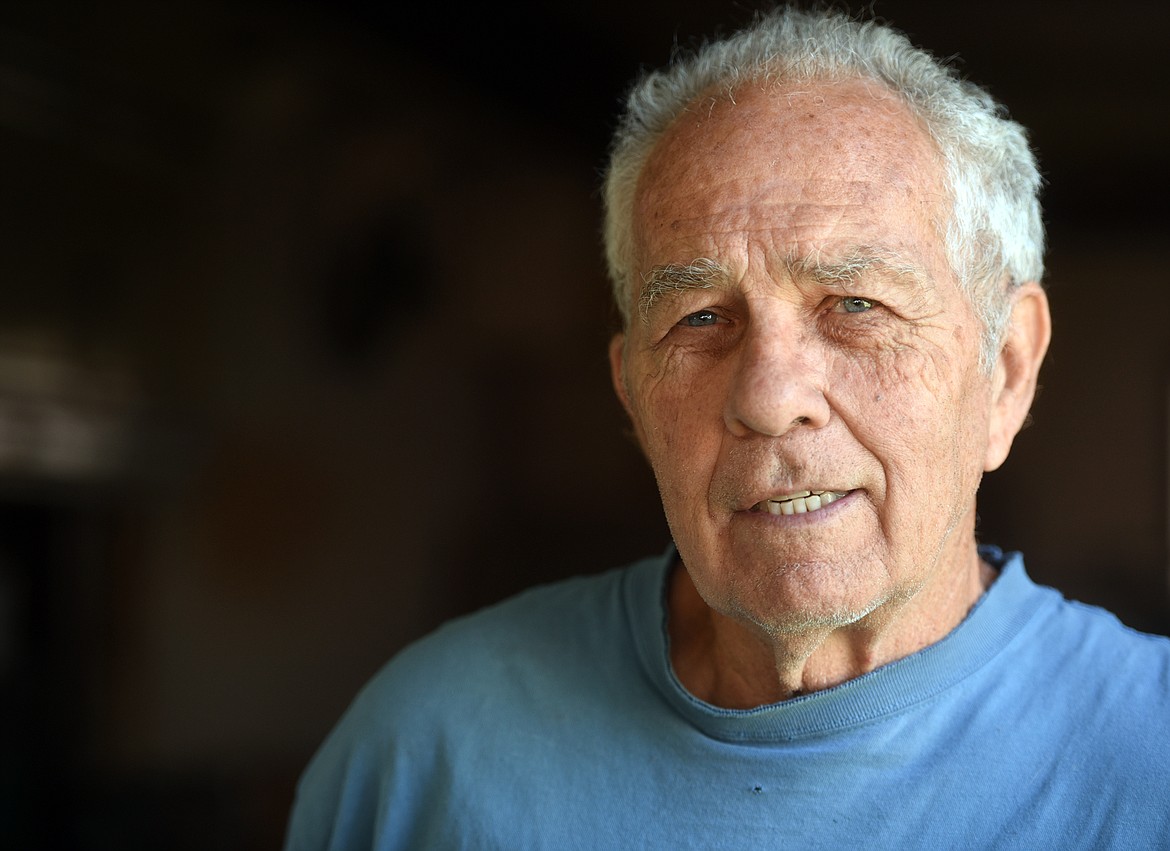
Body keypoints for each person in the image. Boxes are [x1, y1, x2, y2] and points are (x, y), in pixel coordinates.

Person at [285, 8, 1170, 848]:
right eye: (701, 318)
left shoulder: (1148, 761)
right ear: (632, 393)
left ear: (1007, 370)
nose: (769, 396)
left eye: (855, 304)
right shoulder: (423, 752)